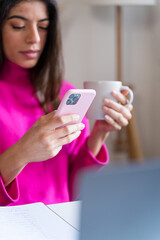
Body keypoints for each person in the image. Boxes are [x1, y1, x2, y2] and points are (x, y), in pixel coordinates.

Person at [0, 0, 133, 206]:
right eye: (18, 26)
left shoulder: (64, 93)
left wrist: (100, 132)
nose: (34, 38)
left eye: (43, 27)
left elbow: (75, 188)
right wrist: (22, 152)